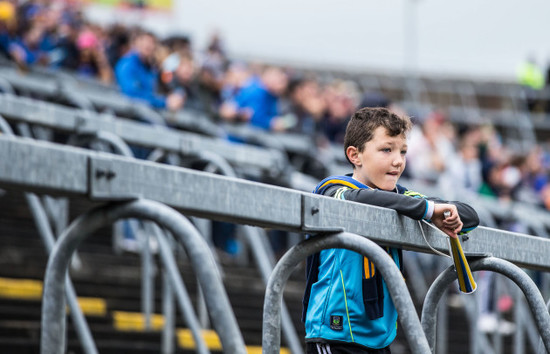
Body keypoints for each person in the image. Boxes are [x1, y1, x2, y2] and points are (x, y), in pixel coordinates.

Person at [302, 107, 479, 353]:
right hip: (335, 335)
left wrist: (446, 212)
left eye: (403, 151)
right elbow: (362, 199)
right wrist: (428, 211)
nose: (398, 160)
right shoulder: (334, 190)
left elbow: (470, 216)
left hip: (379, 337)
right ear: (355, 155)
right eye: (386, 149)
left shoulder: (402, 196)